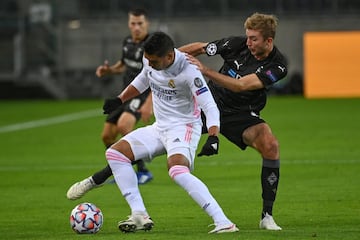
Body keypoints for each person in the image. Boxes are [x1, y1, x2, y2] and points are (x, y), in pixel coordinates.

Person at [102, 31, 239, 234]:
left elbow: (209, 106)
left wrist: (213, 136)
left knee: (176, 170)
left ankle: (223, 222)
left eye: (154, 60)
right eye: (147, 59)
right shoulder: (151, 59)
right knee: (115, 153)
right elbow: (142, 79)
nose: (149, 63)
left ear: (169, 56)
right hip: (160, 128)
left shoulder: (190, 71)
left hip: (185, 127)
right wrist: (120, 99)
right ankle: (139, 214)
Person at [180, 12, 287, 230]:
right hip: (210, 104)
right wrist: (168, 56)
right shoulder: (237, 44)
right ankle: (109, 171)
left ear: (268, 40)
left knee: (271, 146)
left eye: (254, 39)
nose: (248, 43)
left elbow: (242, 86)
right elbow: (202, 47)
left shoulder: (278, 65)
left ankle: (267, 216)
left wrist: (206, 70)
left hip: (241, 113)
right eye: (247, 37)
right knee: (164, 141)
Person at [66, 8, 153, 200]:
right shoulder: (128, 42)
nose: (136, 27)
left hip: (141, 94)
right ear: (129, 24)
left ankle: (143, 171)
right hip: (123, 95)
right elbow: (123, 64)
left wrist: (149, 102)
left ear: (147, 24)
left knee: (124, 125)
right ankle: (123, 166)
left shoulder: (152, 45)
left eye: (140, 23)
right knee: (107, 136)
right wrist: (109, 70)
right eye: (133, 23)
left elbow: (159, 74)